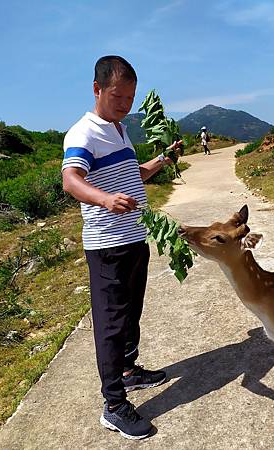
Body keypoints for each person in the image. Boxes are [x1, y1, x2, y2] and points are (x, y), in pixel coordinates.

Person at [61, 55, 183, 440]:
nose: (125, 104)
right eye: (118, 96)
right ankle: (113, 406)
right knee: (111, 324)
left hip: (134, 239)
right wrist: (104, 200)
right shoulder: (83, 133)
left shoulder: (119, 130)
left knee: (131, 314)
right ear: (97, 89)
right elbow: (71, 180)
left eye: (130, 97)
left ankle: (128, 371)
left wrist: (163, 159)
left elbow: (136, 174)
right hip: (107, 246)